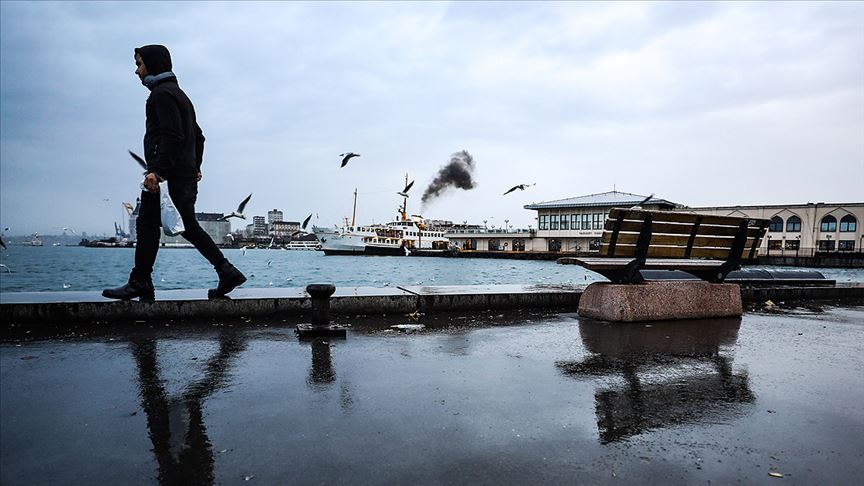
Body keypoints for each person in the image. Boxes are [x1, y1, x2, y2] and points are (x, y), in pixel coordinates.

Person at [103, 45, 245, 302]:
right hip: (182, 173)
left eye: (139, 64)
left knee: (148, 224)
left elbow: (171, 134)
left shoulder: (161, 95)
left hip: (168, 176)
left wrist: (157, 171)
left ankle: (141, 281)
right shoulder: (179, 95)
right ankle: (226, 271)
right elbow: (199, 137)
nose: (136, 71)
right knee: (182, 225)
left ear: (153, 64)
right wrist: (195, 165)